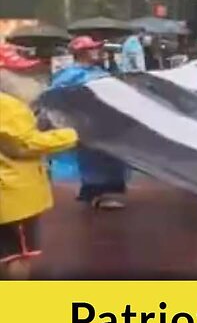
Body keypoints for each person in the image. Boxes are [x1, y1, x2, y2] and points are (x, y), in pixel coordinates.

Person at [0, 90, 78, 279]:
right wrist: (71, 134)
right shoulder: (6, 105)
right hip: (11, 195)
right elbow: (25, 144)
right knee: (17, 255)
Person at [46, 37, 129, 210]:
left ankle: (98, 192)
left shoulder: (98, 70)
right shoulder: (71, 75)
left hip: (105, 122)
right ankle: (97, 193)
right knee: (95, 159)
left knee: (108, 158)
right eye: (92, 49)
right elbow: (56, 98)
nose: (97, 52)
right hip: (88, 123)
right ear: (81, 52)